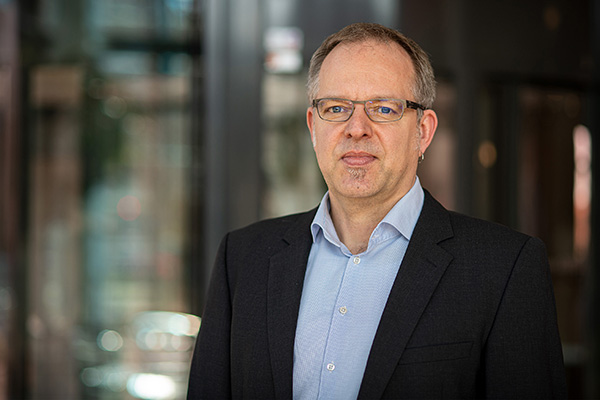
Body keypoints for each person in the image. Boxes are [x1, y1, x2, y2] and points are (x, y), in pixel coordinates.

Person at [187, 22, 567, 399]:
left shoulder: (504, 269)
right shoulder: (243, 258)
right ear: (313, 127)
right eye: (336, 108)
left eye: (383, 108)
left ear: (424, 130)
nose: (356, 128)